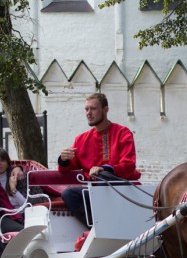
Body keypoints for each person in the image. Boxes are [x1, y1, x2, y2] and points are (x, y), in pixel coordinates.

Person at [58, 93, 141, 227]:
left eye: (93, 109)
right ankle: (97, 228)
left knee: (103, 182)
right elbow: (67, 168)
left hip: (121, 187)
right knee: (69, 194)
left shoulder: (123, 133)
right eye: (86, 109)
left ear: (105, 110)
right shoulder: (81, 139)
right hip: (94, 191)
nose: (88, 113)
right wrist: (63, 159)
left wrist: (104, 169)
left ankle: (107, 226)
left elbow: (129, 165)